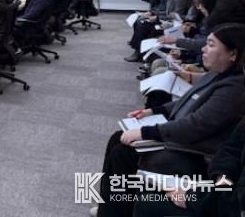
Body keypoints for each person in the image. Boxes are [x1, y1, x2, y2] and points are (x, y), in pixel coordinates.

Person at [94, 23, 245, 217]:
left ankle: (113, 211)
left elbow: (195, 126)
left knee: (123, 152)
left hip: (195, 153)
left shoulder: (234, 90)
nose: (203, 49)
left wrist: (146, 132)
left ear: (232, 54)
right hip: (185, 142)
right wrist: (152, 111)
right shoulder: (217, 74)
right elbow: (187, 101)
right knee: (118, 138)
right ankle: (109, 208)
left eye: (210, 44)